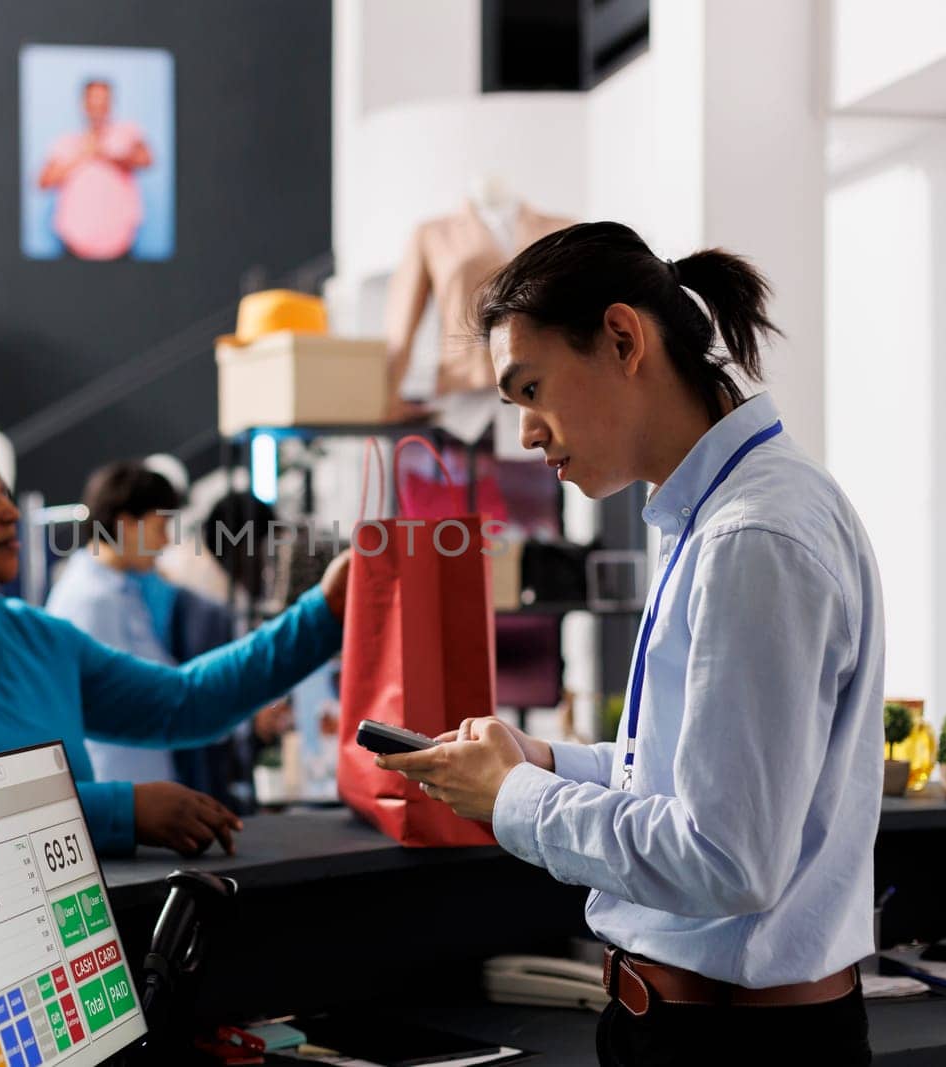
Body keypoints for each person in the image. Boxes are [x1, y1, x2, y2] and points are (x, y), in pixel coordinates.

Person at [377, 222, 884, 1065]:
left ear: (621, 338)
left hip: (728, 1041)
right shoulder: (718, 512)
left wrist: (514, 799)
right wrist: (540, 758)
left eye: (532, 389)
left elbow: (729, 859)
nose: (528, 434)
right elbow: (687, 775)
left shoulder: (749, 536)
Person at [0, 408, 349, 867]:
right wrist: (123, 810)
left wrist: (324, 611)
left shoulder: (31, 636)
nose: (9, 514)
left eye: (0, 493)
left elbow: (183, 703)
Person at [44, 460, 289, 803]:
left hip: (138, 781)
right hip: (122, 784)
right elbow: (152, 695)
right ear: (125, 524)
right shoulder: (91, 601)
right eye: (160, 526)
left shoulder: (122, 589)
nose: (166, 540)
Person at [36, 77, 152, 260]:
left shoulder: (128, 133)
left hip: (120, 245)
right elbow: (44, 181)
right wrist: (83, 153)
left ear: (111, 102)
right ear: (84, 103)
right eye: (93, 100)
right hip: (74, 246)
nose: (98, 106)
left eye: (103, 100)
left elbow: (145, 160)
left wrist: (104, 152)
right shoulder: (67, 142)